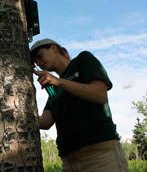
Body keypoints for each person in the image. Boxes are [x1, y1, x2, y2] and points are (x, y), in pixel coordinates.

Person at [30, 38, 129, 172]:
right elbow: (45, 122)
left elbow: (100, 95)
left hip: (99, 153)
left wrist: (59, 82)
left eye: (39, 56)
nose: (39, 63)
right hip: (68, 160)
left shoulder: (82, 60)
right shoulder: (54, 89)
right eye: (36, 62)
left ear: (53, 48)